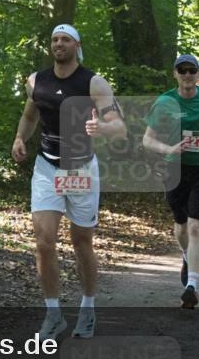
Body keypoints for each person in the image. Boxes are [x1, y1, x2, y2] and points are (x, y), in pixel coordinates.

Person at [12, 24, 126, 340]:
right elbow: (30, 116)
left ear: (77, 45)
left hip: (80, 170)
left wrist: (102, 129)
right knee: (44, 242)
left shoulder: (93, 83)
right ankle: (53, 315)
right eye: (54, 39)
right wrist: (20, 138)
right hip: (47, 168)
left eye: (65, 39)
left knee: (81, 241)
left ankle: (87, 308)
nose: (58, 44)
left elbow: (119, 126)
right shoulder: (36, 81)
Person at [143, 54, 199, 309]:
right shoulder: (165, 101)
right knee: (181, 227)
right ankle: (186, 256)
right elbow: (147, 139)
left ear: (197, 74)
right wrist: (169, 148)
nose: (188, 75)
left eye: (192, 70)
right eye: (183, 70)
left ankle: (191, 285)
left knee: (195, 227)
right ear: (175, 73)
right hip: (175, 169)